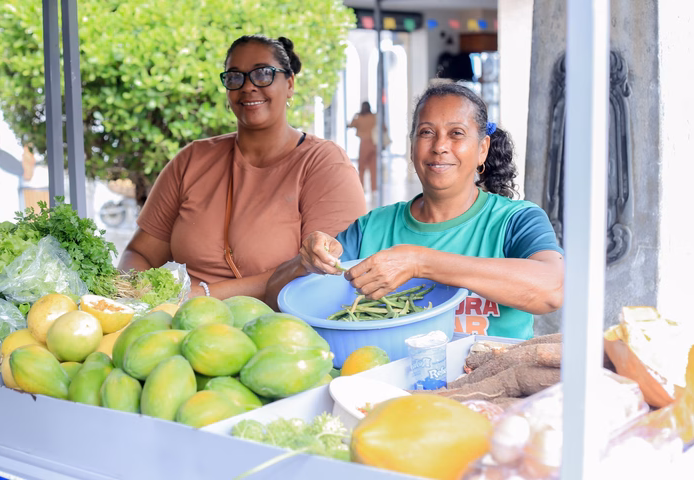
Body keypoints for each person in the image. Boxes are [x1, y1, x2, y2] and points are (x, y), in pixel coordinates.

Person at [266, 82, 564, 339]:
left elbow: (552, 289)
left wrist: (420, 262)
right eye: (426, 132)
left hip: (491, 382)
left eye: (456, 133)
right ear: (412, 146)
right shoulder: (372, 228)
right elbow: (276, 298)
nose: (440, 146)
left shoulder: (516, 220)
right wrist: (305, 263)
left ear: (482, 149)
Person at [119, 34, 366, 300]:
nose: (248, 86)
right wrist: (140, 297)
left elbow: (325, 274)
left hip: (280, 323)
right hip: (180, 319)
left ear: (290, 84)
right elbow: (140, 253)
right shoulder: (192, 159)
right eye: (235, 77)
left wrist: (201, 296)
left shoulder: (325, 164)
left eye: (263, 74)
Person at [347, 101, 378, 193]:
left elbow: (351, 125)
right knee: (373, 167)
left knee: (362, 167)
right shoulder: (373, 117)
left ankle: (361, 188)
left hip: (364, 143)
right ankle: (374, 189)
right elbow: (383, 127)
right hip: (373, 143)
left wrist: (355, 115)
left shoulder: (359, 118)